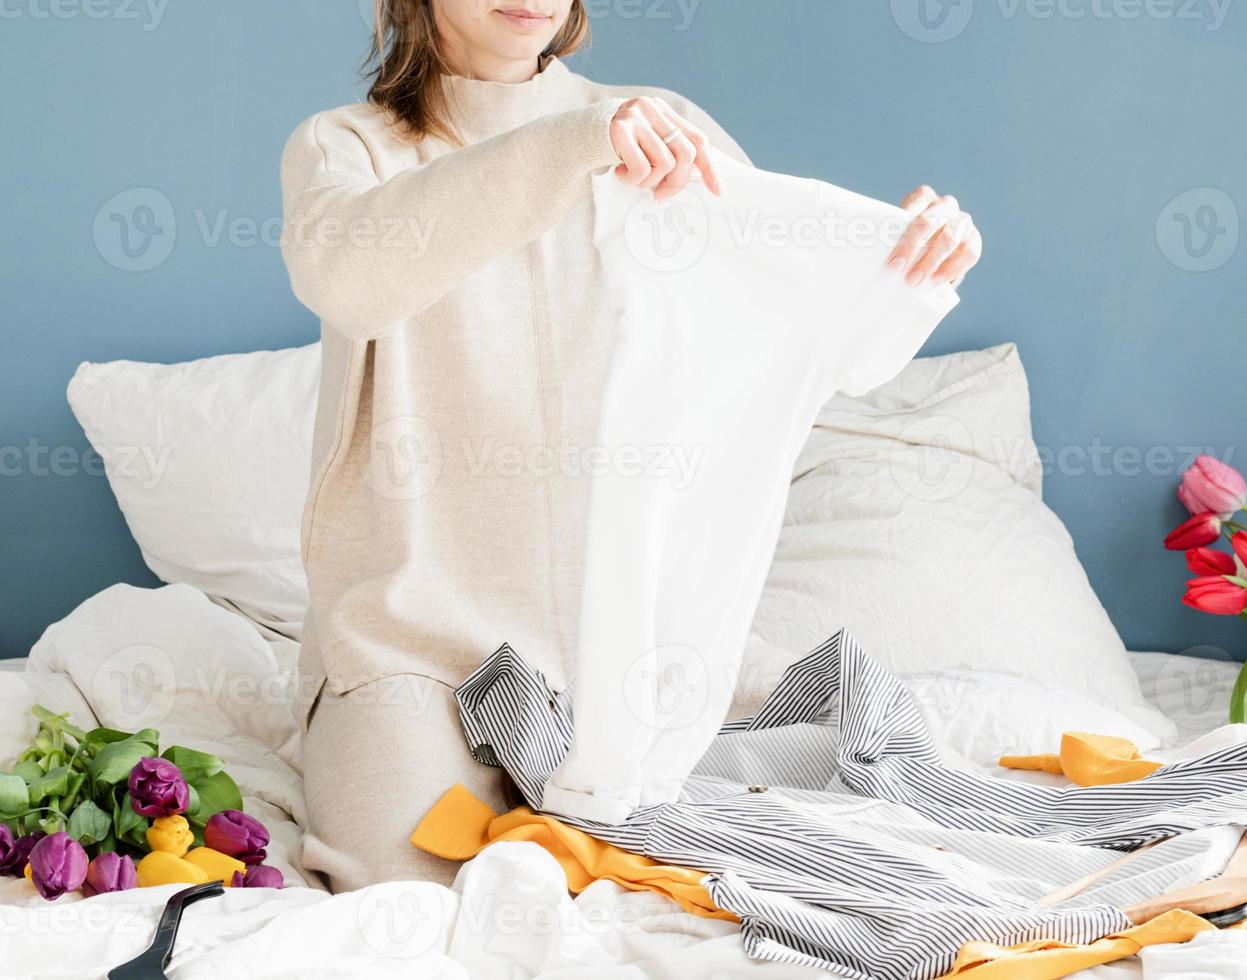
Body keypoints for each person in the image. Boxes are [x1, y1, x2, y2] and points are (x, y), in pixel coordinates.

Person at [281, 0, 982, 892]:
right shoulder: (347, 147)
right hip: (414, 649)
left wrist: (906, 265)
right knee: (407, 884)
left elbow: (791, 329)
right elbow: (348, 280)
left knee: (879, 777)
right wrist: (576, 142)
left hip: (624, 640)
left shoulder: (665, 128)